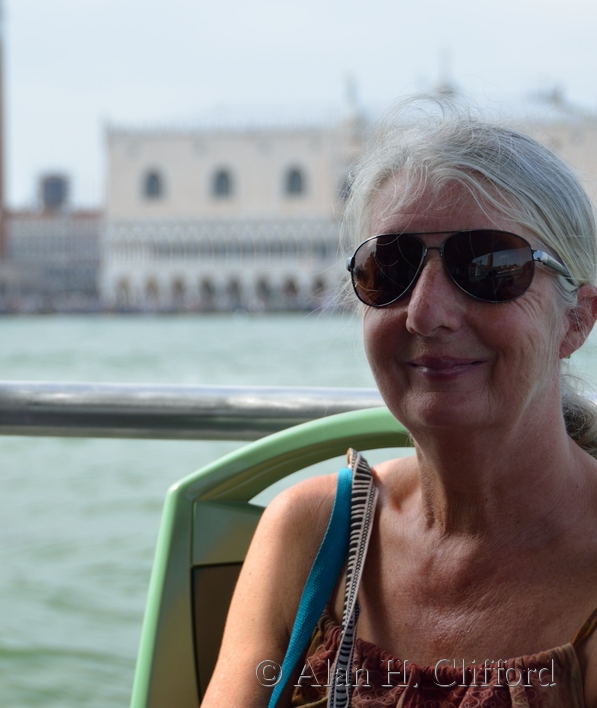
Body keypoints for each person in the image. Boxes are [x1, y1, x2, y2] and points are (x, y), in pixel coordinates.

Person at [201, 101, 597, 707]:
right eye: (388, 269)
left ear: (577, 319)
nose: (425, 312)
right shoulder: (311, 533)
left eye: (488, 267)